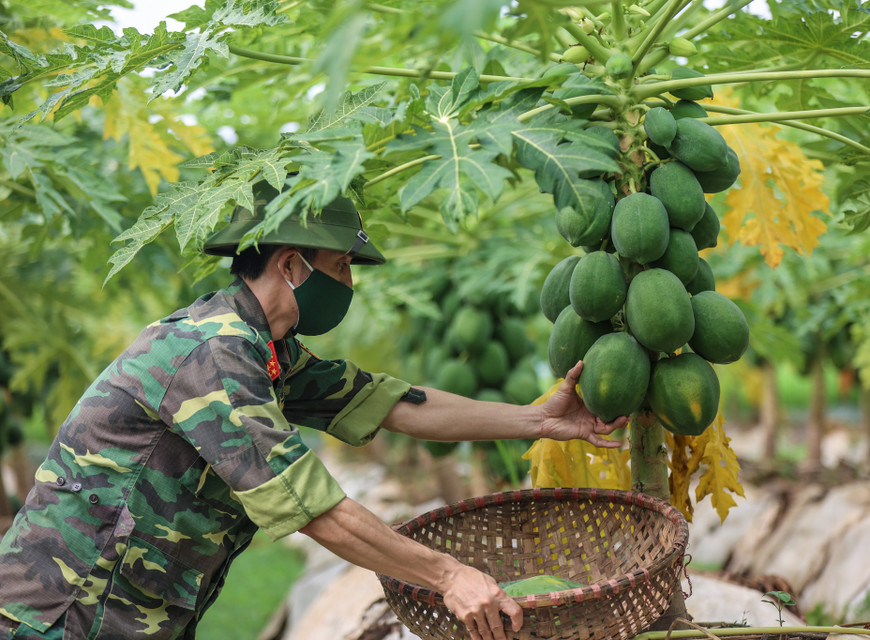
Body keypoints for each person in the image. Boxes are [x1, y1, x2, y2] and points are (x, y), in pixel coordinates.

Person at [0, 182, 627, 640]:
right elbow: (313, 510)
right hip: (62, 615)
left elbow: (395, 406)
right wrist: (448, 575)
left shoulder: (266, 352)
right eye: (341, 266)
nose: (350, 284)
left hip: (124, 616)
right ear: (291, 265)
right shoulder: (211, 354)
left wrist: (539, 419)